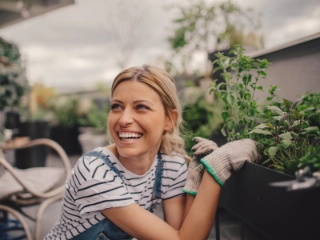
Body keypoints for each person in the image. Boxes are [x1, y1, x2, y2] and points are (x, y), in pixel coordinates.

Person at [45, 65, 258, 240]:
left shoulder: (169, 165)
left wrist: (196, 178)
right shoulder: (94, 172)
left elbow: (185, 233)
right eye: (117, 106)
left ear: (169, 119)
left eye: (141, 107)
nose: (123, 119)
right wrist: (217, 168)